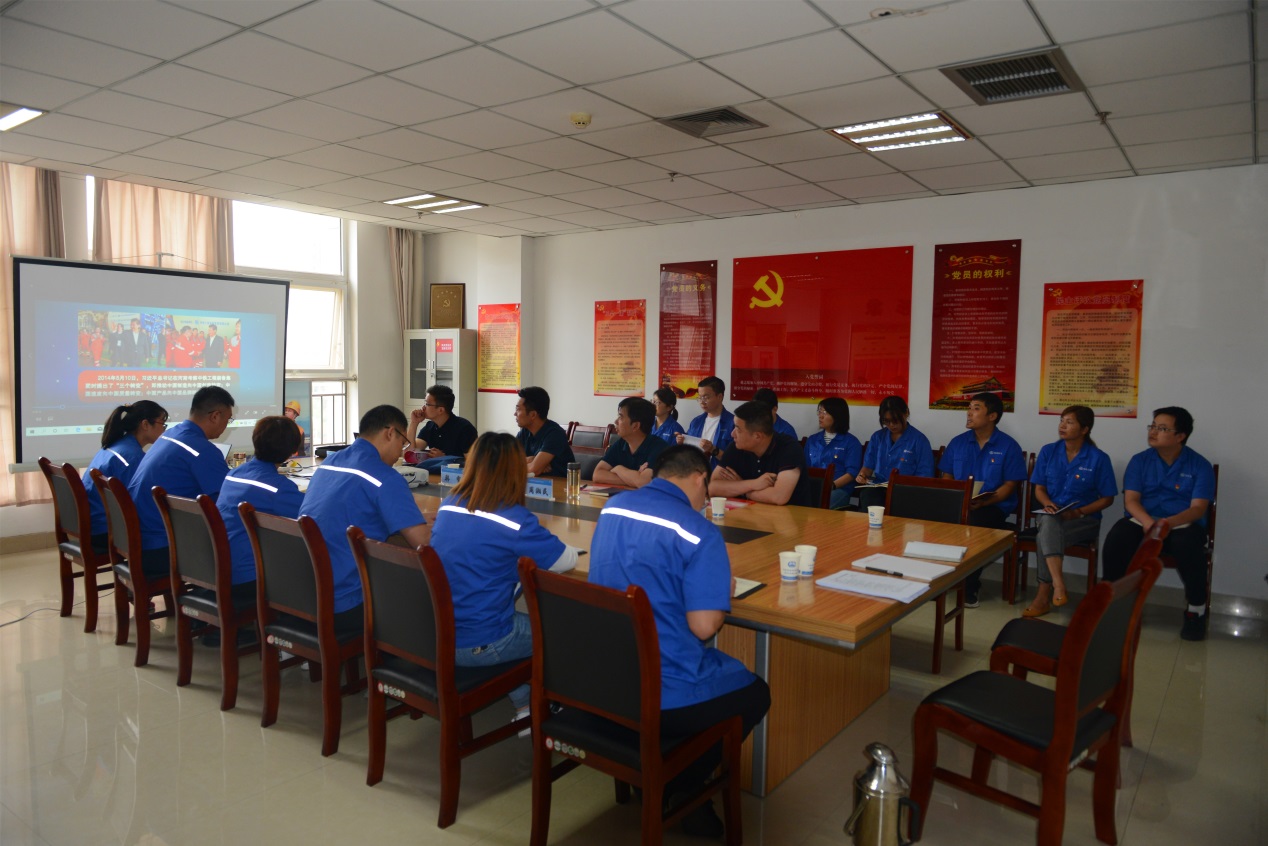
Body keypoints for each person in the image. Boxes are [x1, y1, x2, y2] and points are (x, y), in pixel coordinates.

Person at [589, 445, 771, 838]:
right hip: (660, 691)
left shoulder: (613, 508)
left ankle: (657, 769)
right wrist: (719, 590)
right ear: (700, 480)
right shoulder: (698, 530)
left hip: (605, 681)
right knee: (756, 694)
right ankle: (679, 783)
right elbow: (704, 627)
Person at [429, 433, 580, 722]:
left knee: (512, 611)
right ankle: (555, 712)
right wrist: (571, 547)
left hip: (440, 635)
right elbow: (565, 561)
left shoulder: (450, 503)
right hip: (483, 642)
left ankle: (525, 706)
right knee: (566, 632)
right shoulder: (513, 518)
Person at [299, 405, 429, 632]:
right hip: (345, 603)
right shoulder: (385, 477)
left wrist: (412, 518)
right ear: (390, 433)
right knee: (420, 588)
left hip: (303, 593)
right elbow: (424, 544)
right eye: (402, 443)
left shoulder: (330, 463)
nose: (400, 454)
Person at [1102, 406, 1215, 641]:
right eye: (1153, 426)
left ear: (1180, 436)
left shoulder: (1199, 465)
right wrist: (1148, 523)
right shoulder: (1140, 460)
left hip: (1181, 524)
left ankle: (1196, 611)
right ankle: (1113, 603)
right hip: (1144, 521)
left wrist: (1166, 524)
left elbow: (1197, 509)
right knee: (1118, 536)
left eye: (1162, 428)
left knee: (1188, 545)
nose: (1153, 432)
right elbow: (1131, 500)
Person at [127, 386, 235, 580]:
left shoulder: (170, 434)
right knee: (245, 545)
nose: (227, 425)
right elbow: (228, 499)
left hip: (140, 540)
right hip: (162, 547)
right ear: (215, 416)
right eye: (228, 420)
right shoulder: (201, 449)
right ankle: (218, 595)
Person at [1021, 406, 1118, 618]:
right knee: (1049, 522)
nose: (1062, 426)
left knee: (1044, 535)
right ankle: (1057, 585)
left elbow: (1107, 498)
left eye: (1070, 422)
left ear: (1084, 429)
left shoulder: (1098, 458)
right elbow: (1039, 489)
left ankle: (1043, 595)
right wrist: (1048, 504)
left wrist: (1078, 512)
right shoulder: (1049, 451)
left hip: (1084, 520)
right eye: (1061, 420)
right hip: (1051, 515)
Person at [938, 392, 1027, 607]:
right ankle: (938, 581)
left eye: (976, 408)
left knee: (974, 523)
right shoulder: (958, 442)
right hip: (960, 504)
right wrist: (955, 498)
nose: (969, 413)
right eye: (969, 408)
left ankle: (969, 587)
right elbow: (946, 476)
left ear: (992, 416)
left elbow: (1009, 486)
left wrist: (985, 502)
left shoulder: (1008, 446)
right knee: (931, 518)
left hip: (993, 507)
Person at [215, 416, 304, 614]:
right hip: (248, 576)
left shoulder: (234, 474)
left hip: (219, 567)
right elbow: (311, 519)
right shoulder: (279, 488)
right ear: (292, 450)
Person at [81, 401, 169, 554]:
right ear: (145, 424)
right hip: (105, 530)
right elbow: (141, 502)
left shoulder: (115, 446)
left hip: (93, 524)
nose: (164, 430)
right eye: (162, 423)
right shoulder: (132, 458)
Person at [710, 400, 813, 506]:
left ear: (757, 436)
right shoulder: (736, 446)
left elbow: (779, 497)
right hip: (749, 513)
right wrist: (753, 484)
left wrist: (743, 490)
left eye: (738, 429)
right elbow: (712, 487)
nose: (732, 434)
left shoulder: (789, 448)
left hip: (790, 515)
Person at [857, 396, 935, 510]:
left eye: (895, 420)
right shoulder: (878, 437)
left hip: (906, 491)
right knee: (868, 495)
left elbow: (925, 476)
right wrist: (862, 476)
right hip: (879, 487)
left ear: (906, 413)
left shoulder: (919, 440)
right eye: (887, 421)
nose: (892, 425)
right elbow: (867, 467)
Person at [592, 396, 667, 488]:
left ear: (635, 426)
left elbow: (643, 482)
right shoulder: (621, 444)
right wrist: (634, 478)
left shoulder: (659, 448)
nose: (616, 421)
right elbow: (597, 475)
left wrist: (618, 469)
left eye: (621, 417)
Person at [803, 396, 862, 510]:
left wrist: (830, 486)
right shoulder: (812, 440)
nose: (820, 416)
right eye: (819, 412)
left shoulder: (851, 442)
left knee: (821, 504)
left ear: (837, 416)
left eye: (824, 412)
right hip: (814, 487)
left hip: (839, 489)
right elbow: (805, 467)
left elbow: (851, 473)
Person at [407, 384, 478, 471]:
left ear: (440, 410)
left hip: (456, 476)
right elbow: (409, 452)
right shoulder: (430, 426)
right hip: (434, 474)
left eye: (427, 404)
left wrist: (445, 459)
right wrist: (414, 423)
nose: (423, 407)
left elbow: (473, 463)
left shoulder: (465, 429)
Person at [514, 386, 574, 477]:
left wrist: (532, 464)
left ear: (533, 415)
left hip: (558, 484)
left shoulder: (555, 434)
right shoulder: (525, 432)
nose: (515, 414)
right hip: (534, 483)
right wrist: (530, 460)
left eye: (518, 409)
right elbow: (506, 462)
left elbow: (534, 470)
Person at [676, 376, 733, 469]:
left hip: (718, 475)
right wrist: (683, 442)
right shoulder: (696, 422)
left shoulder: (733, 424)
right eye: (700, 397)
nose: (702, 402)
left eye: (706, 397)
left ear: (719, 397)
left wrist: (712, 449)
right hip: (695, 472)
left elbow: (736, 461)